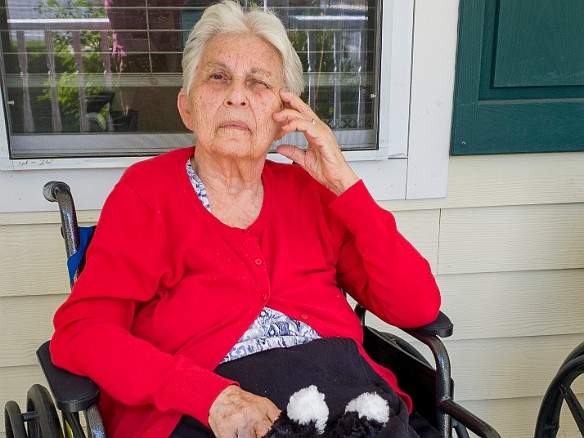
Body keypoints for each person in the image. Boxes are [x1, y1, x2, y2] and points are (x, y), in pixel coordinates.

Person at [51, 1, 442, 437]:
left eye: (258, 83)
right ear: (187, 107)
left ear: (282, 118)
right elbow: (81, 332)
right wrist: (207, 395)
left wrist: (348, 188)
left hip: (349, 404)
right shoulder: (147, 195)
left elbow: (417, 306)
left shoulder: (312, 193)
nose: (237, 94)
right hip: (212, 414)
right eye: (218, 77)